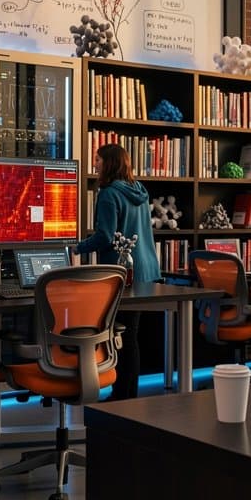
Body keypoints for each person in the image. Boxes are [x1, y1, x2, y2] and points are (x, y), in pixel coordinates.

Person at [72, 143, 160, 400]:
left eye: (98, 159)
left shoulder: (109, 193)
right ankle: (127, 392)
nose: (95, 163)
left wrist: (77, 248)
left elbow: (105, 236)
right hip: (145, 270)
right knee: (131, 333)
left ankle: (122, 394)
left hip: (121, 274)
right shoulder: (140, 191)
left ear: (108, 163)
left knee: (121, 334)